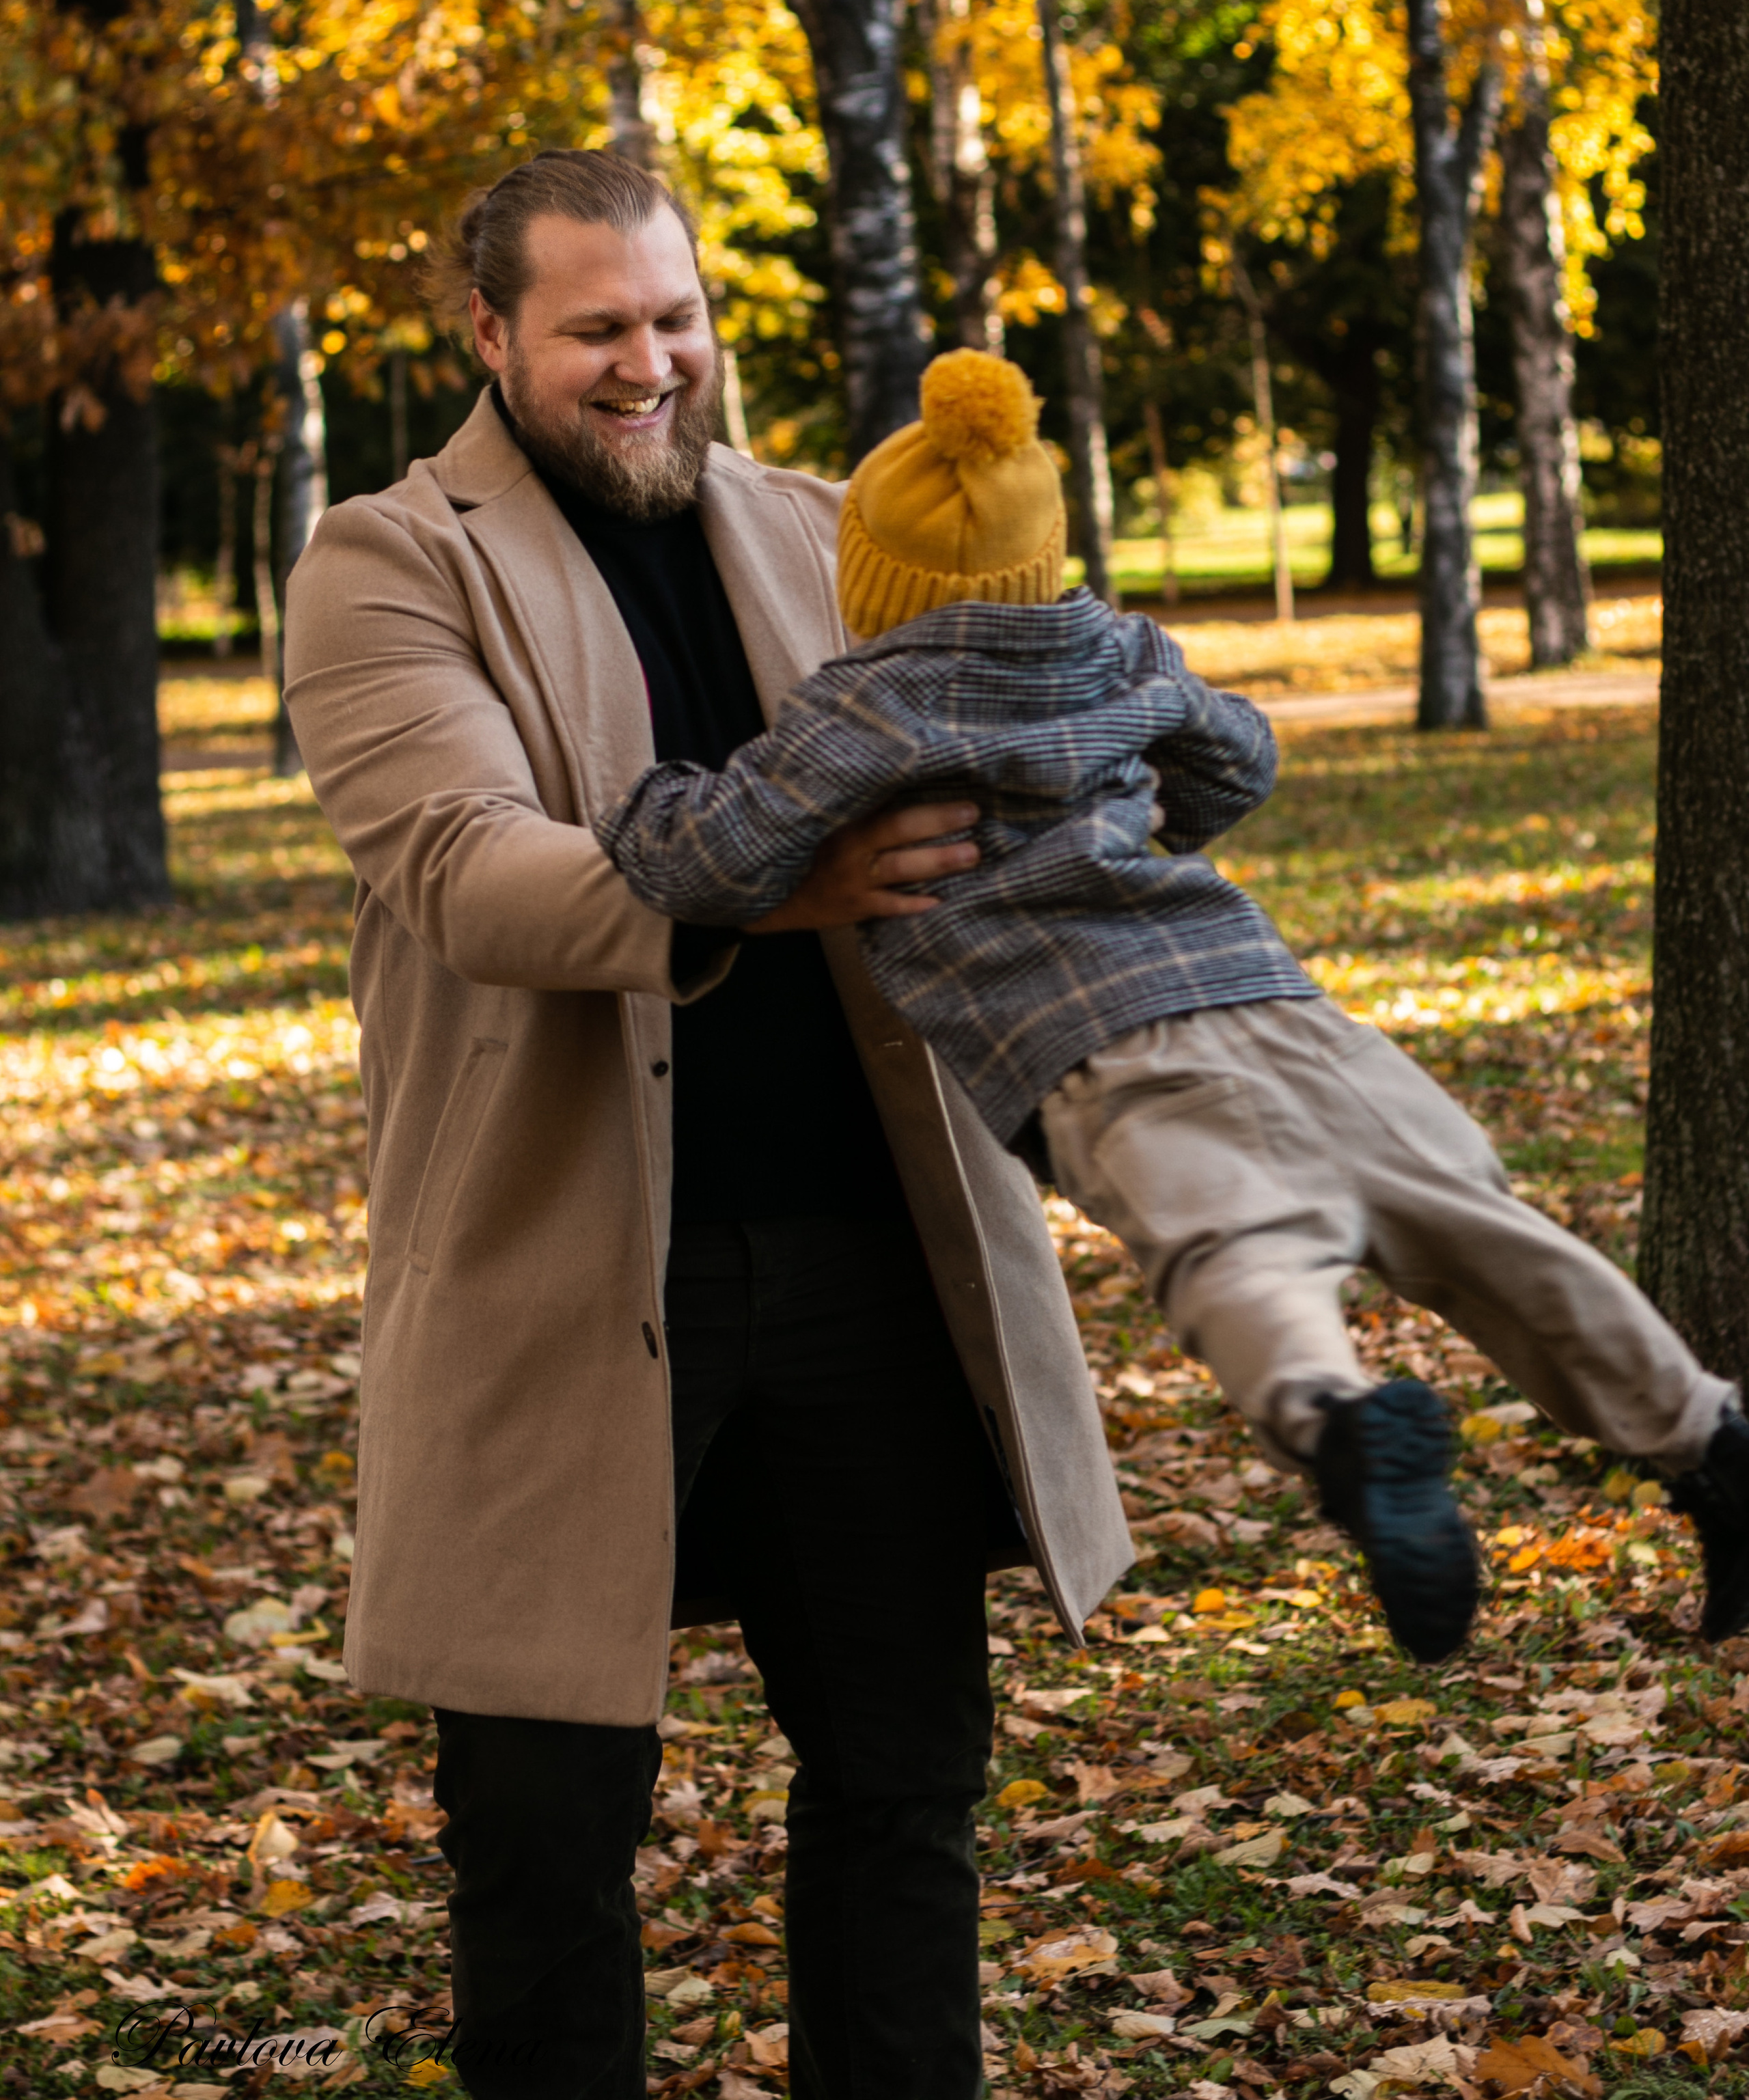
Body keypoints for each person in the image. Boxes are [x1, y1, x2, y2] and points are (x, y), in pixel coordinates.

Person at [282, 156, 1132, 2100]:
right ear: (489, 334)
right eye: (596, 327)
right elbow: (468, 868)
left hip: (867, 1260)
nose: (647, 363)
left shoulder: (826, 527)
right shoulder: (386, 562)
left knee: (905, 1790)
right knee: (544, 1838)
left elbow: (1008, 761)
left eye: (674, 319)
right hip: (562, 1267)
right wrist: (779, 876)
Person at [598, 346, 1749, 1668]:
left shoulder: (863, 713)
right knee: (1477, 1228)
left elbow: (715, 859)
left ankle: (1341, 1422)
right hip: (1269, 996)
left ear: (867, 585)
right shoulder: (1117, 649)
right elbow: (1239, 758)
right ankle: (1708, 1440)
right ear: (1041, 557)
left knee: (1238, 1255)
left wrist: (649, 802)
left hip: (1105, 1050)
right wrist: (1156, 800)